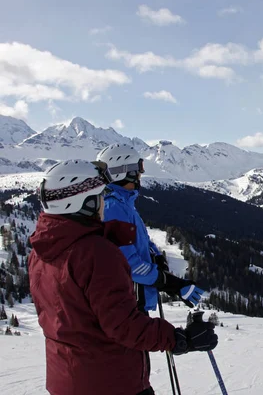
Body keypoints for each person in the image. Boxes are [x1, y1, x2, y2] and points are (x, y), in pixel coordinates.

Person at [28, 160, 218, 395]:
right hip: (112, 381)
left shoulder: (40, 251)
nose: (103, 205)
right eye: (99, 196)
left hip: (66, 379)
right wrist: (180, 338)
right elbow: (124, 326)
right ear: (82, 202)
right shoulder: (97, 254)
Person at [96, 144, 204, 312]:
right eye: (138, 168)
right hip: (126, 304)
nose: (141, 174)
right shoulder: (112, 209)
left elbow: (141, 241)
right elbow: (127, 263)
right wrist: (171, 283)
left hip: (135, 299)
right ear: (123, 171)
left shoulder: (124, 204)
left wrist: (156, 256)